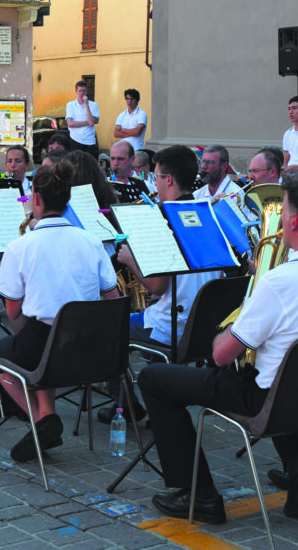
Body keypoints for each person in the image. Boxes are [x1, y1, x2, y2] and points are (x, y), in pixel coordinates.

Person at [138, 171, 298, 523]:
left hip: (271, 403)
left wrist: (235, 321)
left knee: (154, 379)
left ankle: (198, 494)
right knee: (274, 366)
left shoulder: (279, 283)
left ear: (292, 220)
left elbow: (220, 356)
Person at [0, 161, 120, 462]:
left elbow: (13, 312)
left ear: (35, 199)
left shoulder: (20, 247)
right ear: (68, 200)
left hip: (45, 343)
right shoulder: (91, 242)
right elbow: (112, 298)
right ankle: (47, 413)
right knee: (38, 341)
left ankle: (41, 420)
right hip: (90, 349)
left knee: (1, 353)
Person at [106, 145, 221, 424]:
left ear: (168, 179)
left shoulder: (165, 219)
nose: (154, 183)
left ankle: (127, 406)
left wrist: (130, 259)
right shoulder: (208, 213)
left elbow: (156, 287)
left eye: (156, 177)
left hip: (172, 328)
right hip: (204, 328)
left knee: (107, 329)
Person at [65, 81, 101, 158]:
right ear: (76, 91)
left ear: (87, 91)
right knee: (75, 166)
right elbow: (70, 124)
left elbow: (91, 123)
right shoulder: (70, 105)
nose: (82, 93)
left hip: (89, 141)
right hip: (75, 140)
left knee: (89, 166)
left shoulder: (93, 105)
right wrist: (88, 121)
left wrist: (86, 105)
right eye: (80, 90)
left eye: (84, 90)